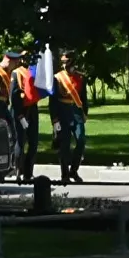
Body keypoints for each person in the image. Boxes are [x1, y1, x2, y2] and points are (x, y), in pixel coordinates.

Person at [51, 51, 88, 182]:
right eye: (62, 62)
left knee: (81, 140)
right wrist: (54, 119)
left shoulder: (80, 77)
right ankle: (64, 174)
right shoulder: (58, 78)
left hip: (76, 112)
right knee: (64, 144)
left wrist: (85, 113)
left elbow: (83, 97)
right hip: (62, 112)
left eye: (66, 62)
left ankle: (74, 170)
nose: (64, 64)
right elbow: (53, 100)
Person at [11, 51, 45, 180]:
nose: (27, 60)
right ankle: (18, 170)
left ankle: (28, 172)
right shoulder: (16, 73)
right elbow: (13, 96)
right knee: (20, 141)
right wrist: (19, 114)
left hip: (32, 109)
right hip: (21, 110)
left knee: (34, 142)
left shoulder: (33, 72)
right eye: (25, 58)